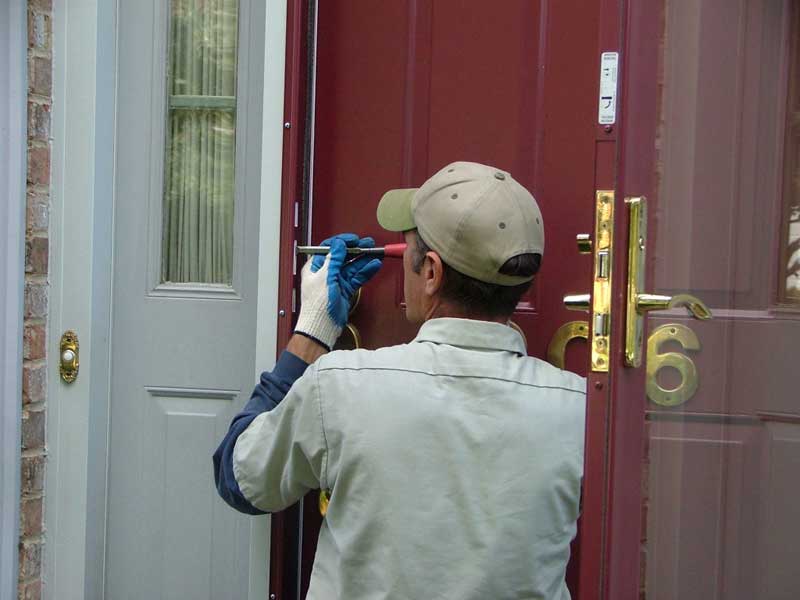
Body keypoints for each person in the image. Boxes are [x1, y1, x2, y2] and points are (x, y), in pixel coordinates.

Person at [213, 161, 586, 600]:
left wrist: (311, 330)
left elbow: (241, 479)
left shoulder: (340, 388)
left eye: (408, 248)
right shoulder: (581, 411)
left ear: (431, 272)